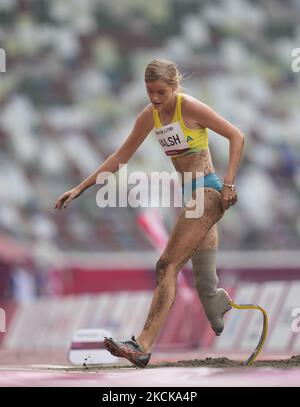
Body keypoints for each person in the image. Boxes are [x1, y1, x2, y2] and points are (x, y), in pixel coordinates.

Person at [55, 59, 244, 368]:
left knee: (166, 265)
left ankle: (141, 345)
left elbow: (237, 136)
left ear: (175, 86)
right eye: (150, 92)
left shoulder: (190, 107)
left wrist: (229, 184)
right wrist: (81, 187)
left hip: (207, 193)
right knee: (205, 285)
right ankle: (217, 303)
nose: (155, 99)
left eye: (162, 92)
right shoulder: (150, 116)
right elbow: (120, 156)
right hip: (190, 196)